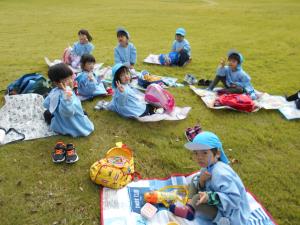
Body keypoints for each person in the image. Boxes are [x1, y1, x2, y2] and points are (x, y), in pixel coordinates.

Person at [170, 131, 251, 225]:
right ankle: (190, 205)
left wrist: (210, 197)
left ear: (217, 154)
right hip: (215, 197)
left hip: (230, 214)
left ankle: (190, 211)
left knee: (197, 198)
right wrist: (201, 181)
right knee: (195, 179)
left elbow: (234, 198)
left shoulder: (221, 174)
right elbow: (203, 185)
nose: (199, 157)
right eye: (196, 153)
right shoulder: (208, 166)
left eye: (204, 153)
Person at [43, 63, 94, 138]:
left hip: (63, 121)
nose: (71, 81)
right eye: (67, 79)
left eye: (71, 77)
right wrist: (66, 99)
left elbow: (46, 104)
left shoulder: (56, 91)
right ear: (57, 83)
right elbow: (68, 112)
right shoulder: (66, 94)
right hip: (73, 125)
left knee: (47, 113)